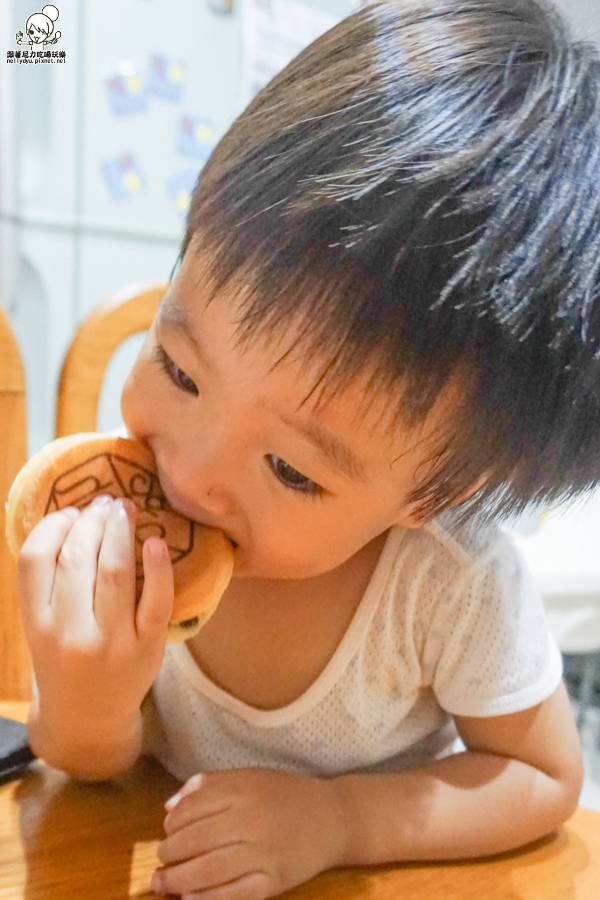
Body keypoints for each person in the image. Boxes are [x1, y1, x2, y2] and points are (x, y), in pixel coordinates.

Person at [18, 1, 600, 898]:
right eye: (178, 368)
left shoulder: (448, 584)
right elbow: (87, 774)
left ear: (437, 492)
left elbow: (542, 779)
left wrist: (338, 822)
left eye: (292, 469)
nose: (192, 474)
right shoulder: (120, 514)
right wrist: (87, 704)